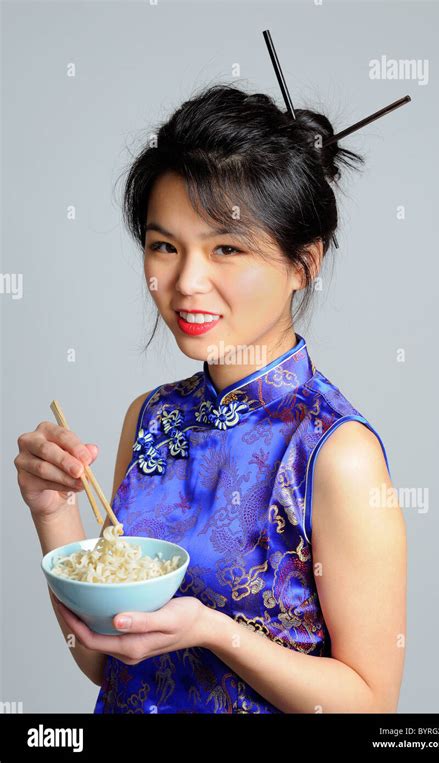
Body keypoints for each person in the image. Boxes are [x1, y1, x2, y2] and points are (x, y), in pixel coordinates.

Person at [14, 83, 406, 714]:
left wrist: (214, 631)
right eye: (164, 246)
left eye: (226, 248)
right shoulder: (150, 416)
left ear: (304, 262)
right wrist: (53, 512)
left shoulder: (335, 451)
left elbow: (371, 706)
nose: (186, 282)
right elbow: (105, 661)